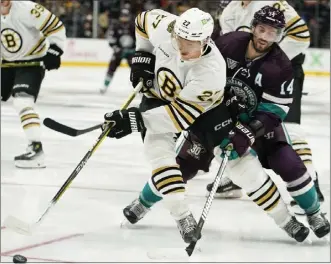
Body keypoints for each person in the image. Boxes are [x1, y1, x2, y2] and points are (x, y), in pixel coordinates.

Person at [176, 5, 330, 239]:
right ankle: (146, 200)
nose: (265, 37)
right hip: (223, 116)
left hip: (259, 121)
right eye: (261, 30)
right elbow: (205, 72)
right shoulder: (229, 41)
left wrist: (250, 131)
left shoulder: (280, 65)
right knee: (183, 164)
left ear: (279, 36)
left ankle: (313, 211)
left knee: (289, 163)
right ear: (253, 27)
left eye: (273, 33)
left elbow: (274, 110)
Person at [102, 8, 227, 243]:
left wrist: (134, 120)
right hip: (158, 97)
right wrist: (143, 56)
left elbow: (178, 116)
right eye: (180, 39)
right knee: (158, 152)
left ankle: (147, 200)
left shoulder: (212, 72)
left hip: (205, 112)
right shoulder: (167, 27)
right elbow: (142, 22)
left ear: (206, 41)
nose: (182, 47)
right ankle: (181, 214)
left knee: (199, 163)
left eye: (190, 43)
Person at [208, 0, 324, 206]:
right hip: (249, 76)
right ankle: (238, 179)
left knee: (289, 128)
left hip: (282, 73)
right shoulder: (230, 9)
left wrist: (271, 66)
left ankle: (310, 180)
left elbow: (301, 35)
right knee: (241, 124)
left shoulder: (270, 2)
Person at [1, 0, 66, 168]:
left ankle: (36, 149)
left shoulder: (27, 8)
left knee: (22, 101)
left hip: (31, 63)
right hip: (5, 64)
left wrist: (55, 50)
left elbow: (56, 26)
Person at [100, 9, 135, 94]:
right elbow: (111, 40)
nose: (124, 18)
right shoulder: (116, 27)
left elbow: (139, 40)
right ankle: (105, 86)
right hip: (119, 51)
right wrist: (116, 48)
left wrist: (134, 49)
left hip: (131, 52)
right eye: (122, 16)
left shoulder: (133, 27)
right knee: (111, 67)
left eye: (125, 16)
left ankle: (139, 88)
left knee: (136, 69)